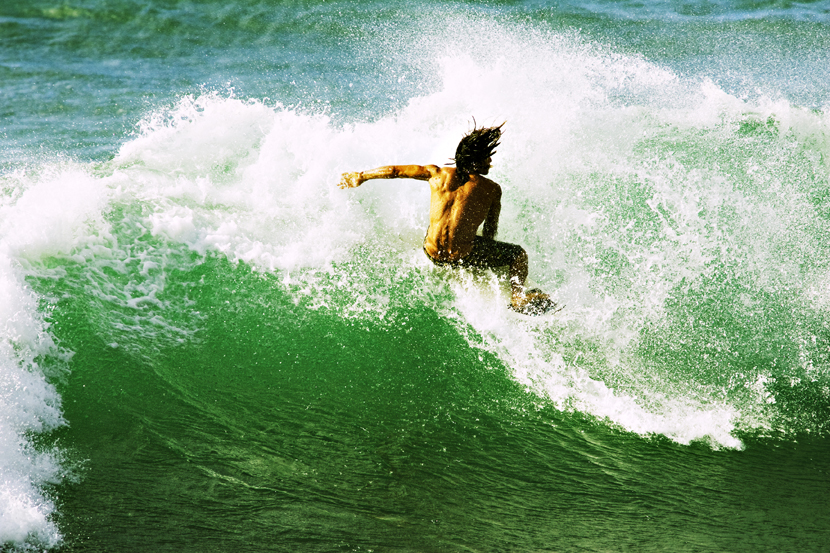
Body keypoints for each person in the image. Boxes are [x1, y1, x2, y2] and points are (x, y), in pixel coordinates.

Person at [338, 122, 555, 315]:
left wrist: (362, 176)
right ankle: (518, 297)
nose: (490, 162)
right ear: (475, 161)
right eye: (487, 157)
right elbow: (490, 229)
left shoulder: (436, 174)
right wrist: (488, 253)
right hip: (461, 256)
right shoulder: (492, 189)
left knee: (436, 226)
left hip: (431, 252)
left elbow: (395, 170)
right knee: (517, 254)